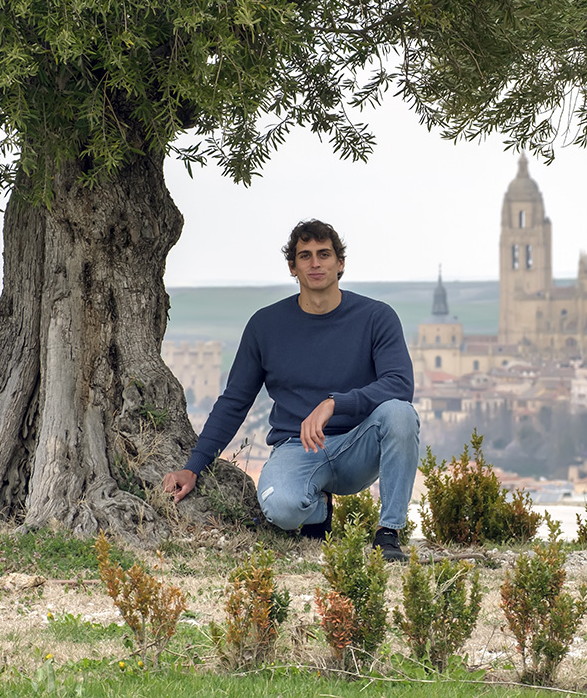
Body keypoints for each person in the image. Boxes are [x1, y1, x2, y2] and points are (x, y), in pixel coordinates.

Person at [163, 219, 419, 561]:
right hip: (298, 447)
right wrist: (193, 467)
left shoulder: (376, 317)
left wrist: (334, 404)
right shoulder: (265, 325)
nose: (315, 263)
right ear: (292, 267)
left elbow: (399, 384)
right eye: (305, 256)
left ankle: (388, 534)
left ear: (340, 263)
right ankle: (319, 512)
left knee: (400, 414)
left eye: (324, 254)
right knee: (281, 509)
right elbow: (235, 401)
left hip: (358, 443)